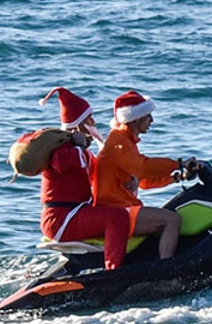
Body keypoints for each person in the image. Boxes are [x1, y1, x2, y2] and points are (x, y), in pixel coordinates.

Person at [95, 91, 197, 261]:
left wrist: (177, 177)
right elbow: (143, 167)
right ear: (135, 118)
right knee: (171, 220)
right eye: (148, 116)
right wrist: (178, 163)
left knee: (169, 216)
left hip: (123, 207)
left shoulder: (126, 141)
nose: (152, 121)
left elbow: (143, 181)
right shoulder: (118, 141)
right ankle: (166, 268)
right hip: (116, 210)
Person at [38, 87, 131, 272]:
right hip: (61, 219)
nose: (94, 122)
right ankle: (114, 271)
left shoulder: (83, 153)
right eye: (89, 118)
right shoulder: (61, 150)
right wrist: (78, 145)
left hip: (74, 214)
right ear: (78, 125)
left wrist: (127, 179)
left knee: (119, 211)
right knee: (118, 218)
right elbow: (61, 163)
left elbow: (101, 176)